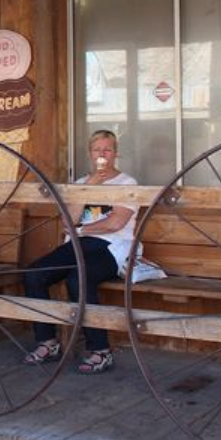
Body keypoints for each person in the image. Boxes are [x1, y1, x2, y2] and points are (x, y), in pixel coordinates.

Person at [22, 129, 138, 374]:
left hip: (112, 247)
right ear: (90, 153)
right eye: (97, 150)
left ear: (116, 154)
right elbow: (69, 220)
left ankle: (100, 351)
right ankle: (47, 342)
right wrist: (91, 187)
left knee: (79, 279)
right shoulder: (81, 184)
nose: (102, 155)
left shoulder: (127, 183)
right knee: (34, 273)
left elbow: (116, 223)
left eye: (107, 150)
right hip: (79, 244)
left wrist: (82, 229)